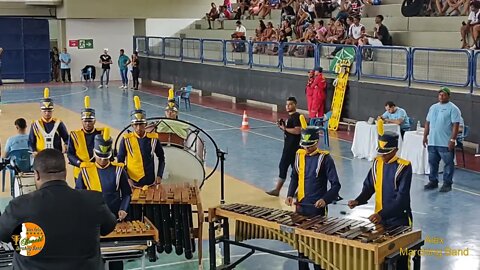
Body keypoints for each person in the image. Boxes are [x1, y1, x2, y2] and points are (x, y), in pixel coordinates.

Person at [0, 149, 117, 270]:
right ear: (65, 173)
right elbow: (109, 227)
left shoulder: (19, 206)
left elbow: (3, 235)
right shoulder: (93, 200)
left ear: (37, 174)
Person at [348, 120, 412, 269]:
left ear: (395, 150)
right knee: (382, 260)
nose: (382, 156)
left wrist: (381, 214)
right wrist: (358, 200)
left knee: (400, 261)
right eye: (381, 152)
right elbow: (369, 187)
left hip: (399, 220)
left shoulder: (404, 167)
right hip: (381, 221)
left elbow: (401, 200)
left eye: (386, 153)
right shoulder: (377, 163)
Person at [285, 115, 341, 270]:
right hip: (300, 208)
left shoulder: (325, 159)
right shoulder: (299, 155)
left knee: (317, 251)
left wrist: (325, 199)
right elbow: (294, 176)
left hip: (317, 210)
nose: (306, 149)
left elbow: (336, 185)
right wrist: (290, 194)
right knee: (301, 250)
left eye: (309, 146)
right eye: (304, 146)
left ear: (317, 142)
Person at [76, 128, 131, 270]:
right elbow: (78, 196)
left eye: (105, 157)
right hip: (92, 223)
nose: (102, 160)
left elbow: (126, 193)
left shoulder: (119, 170)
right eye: (99, 156)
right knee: (94, 257)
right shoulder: (85, 171)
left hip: (114, 220)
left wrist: (123, 209)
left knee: (116, 258)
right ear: (94, 153)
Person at [117, 96, 165, 187]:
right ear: (132, 125)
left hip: (150, 181)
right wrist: (127, 178)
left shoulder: (153, 139)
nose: (139, 128)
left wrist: (159, 175)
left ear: (146, 124)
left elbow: (161, 158)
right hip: (133, 182)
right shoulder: (126, 139)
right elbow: (120, 162)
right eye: (136, 125)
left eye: (141, 124)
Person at [423, 87, 462, 193]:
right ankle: (433, 181)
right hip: (432, 141)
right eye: (440, 94)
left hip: (445, 142)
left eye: (444, 94)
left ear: (449, 96)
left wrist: (452, 140)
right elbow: (427, 123)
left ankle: (447, 183)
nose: (441, 96)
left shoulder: (453, 109)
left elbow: (456, 125)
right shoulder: (433, 107)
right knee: (432, 162)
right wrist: (425, 136)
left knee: (448, 164)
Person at [266, 97, 302, 197]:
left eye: (290, 104)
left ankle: (279, 190)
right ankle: (279, 190)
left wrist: (284, 128)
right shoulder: (290, 117)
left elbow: (297, 131)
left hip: (293, 149)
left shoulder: (296, 117)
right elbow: (289, 131)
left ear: (295, 105)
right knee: (290, 169)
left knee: (291, 169)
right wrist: (282, 127)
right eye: (287, 104)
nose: (288, 106)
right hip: (288, 147)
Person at [67, 96, 104, 181]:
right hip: (80, 172)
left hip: (97, 171)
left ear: (94, 121)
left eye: (90, 121)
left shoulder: (101, 134)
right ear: (81, 121)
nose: (87, 124)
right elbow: (70, 154)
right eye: (85, 121)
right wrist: (79, 163)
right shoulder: (74, 135)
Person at [28, 88, 69, 155]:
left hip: (56, 156)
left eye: (49, 111)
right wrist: (33, 150)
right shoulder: (35, 124)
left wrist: (66, 144)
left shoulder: (58, 123)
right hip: (41, 156)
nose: (47, 113)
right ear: (41, 111)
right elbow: (31, 141)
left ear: (52, 111)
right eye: (45, 111)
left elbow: (66, 138)